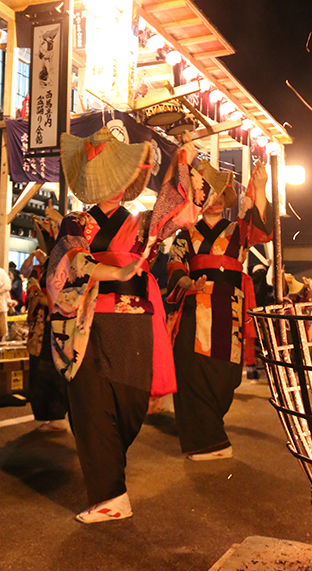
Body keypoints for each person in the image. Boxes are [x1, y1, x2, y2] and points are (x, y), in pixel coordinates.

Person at [47, 126, 201, 523]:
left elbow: (179, 212)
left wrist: (182, 162)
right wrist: (114, 272)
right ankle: (110, 495)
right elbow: (72, 262)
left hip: (133, 325)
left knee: (129, 408)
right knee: (92, 407)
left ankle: (111, 481)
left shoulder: (143, 222)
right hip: (88, 325)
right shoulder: (77, 222)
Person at [167, 161, 272, 460]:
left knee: (226, 376)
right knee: (190, 371)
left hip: (229, 309)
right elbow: (174, 265)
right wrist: (188, 281)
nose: (213, 201)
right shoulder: (185, 234)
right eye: (207, 195)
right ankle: (208, 442)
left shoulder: (237, 231)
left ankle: (211, 427)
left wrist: (261, 186)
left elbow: (262, 228)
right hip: (193, 305)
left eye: (219, 196)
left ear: (226, 200)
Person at [26, 215, 69, 432]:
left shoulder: (63, 262)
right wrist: (37, 293)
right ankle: (47, 414)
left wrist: (43, 297)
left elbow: (65, 294)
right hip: (43, 326)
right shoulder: (46, 264)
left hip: (57, 325)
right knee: (40, 368)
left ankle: (57, 414)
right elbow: (32, 283)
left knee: (53, 368)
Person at [0, 268, 11, 341]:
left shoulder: (1, 272)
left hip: (1, 307)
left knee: (1, 332)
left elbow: (8, 285)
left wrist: (0, 290)